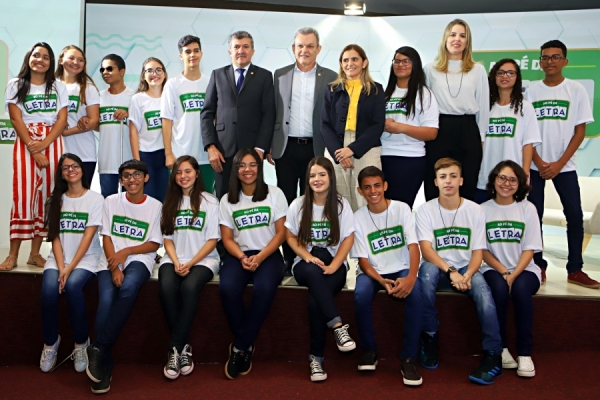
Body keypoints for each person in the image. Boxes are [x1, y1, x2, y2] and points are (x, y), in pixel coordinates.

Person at [416, 157, 503, 385]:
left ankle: (493, 355)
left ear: (461, 180)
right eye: (443, 177)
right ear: (435, 181)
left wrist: (467, 274)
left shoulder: (474, 210)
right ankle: (429, 335)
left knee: (484, 292)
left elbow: (478, 251)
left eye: (453, 176)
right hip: (438, 266)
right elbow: (426, 250)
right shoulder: (425, 210)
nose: (448, 182)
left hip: (467, 267)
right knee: (425, 275)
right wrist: (451, 271)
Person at [525, 40, 599, 288]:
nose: (550, 61)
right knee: (534, 217)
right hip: (536, 166)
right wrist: (538, 161)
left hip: (564, 167)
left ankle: (575, 269)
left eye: (555, 57)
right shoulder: (532, 91)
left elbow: (580, 132)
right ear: (540, 62)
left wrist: (558, 163)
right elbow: (526, 131)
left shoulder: (576, 90)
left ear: (565, 61)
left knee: (575, 215)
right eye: (545, 57)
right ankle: (537, 266)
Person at [85, 159, 162, 394]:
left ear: (146, 178)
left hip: (139, 259)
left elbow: (153, 243)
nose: (132, 180)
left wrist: (127, 252)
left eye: (137, 175)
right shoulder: (111, 201)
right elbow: (106, 236)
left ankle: (97, 349)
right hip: (110, 260)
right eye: (126, 176)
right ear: (121, 181)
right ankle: (104, 367)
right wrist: (114, 266)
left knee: (128, 289)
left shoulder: (156, 205)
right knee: (106, 301)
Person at [271, 27, 337, 273]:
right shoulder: (280, 75)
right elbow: (273, 113)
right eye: (300, 45)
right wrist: (269, 145)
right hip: (286, 149)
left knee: (313, 202)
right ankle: (290, 256)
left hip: (316, 150)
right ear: (293, 48)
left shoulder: (331, 76)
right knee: (289, 202)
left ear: (318, 49)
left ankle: (314, 251)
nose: (304, 50)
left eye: (310, 46)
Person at [285, 156, 356, 382]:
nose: (317, 179)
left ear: (330, 177)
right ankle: (337, 325)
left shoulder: (341, 204)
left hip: (334, 263)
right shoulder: (298, 204)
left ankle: (316, 359)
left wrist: (336, 265)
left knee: (316, 302)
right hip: (305, 263)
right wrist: (307, 256)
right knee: (314, 272)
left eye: (322, 174)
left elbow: (347, 238)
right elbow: (290, 236)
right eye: (313, 175)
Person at [218, 148, 287, 379]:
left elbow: (280, 234)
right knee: (227, 288)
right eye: (242, 166)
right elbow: (226, 238)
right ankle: (246, 344)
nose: (248, 170)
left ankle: (240, 346)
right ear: (235, 170)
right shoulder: (227, 199)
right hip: (239, 254)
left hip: (268, 254)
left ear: (259, 168)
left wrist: (260, 257)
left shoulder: (275, 194)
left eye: (252, 165)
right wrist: (241, 257)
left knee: (265, 288)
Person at [352, 166, 424, 386]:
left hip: (402, 267)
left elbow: (413, 246)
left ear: (385, 186)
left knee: (416, 293)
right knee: (361, 294)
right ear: (360, 191)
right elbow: (363, 261)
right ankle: (369, 350)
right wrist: (381, 280)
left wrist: (411, 276)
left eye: (377, 185)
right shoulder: (358, 217)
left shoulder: (402, 209)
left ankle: (409, 358)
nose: (373, 191)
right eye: (367, 187)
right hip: (374, 271)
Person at [1, 42, 67, 271]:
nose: (40, 59)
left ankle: (35, 253)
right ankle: (12, 255)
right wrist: (33, 147)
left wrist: (46, 145)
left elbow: (62, 120)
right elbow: (16, 119)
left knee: (49, 197)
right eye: (36, 55)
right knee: (23, 196)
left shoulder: (58, 86)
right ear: (29, 57)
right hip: (26, 140)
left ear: (51, 62)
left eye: (46, 57)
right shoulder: (16, 84)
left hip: (52, 141)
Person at [39, 153, 104, 373]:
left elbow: (88, 237)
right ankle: (50, 342)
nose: (71, 170)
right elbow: (54, 237)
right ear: (62, 174)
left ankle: (80, 342)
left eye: (74, 166)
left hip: (86, 258)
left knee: (73, 286)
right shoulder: (54, 199)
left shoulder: (95, 199)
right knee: (49, 290)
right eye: (66, 168)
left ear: (82, 170)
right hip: (58, 258)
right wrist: (61, 266)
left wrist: (69, 268)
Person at [159, 156, 220, 379]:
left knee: (189, 288)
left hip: (204, 260)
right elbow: (167, 239)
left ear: (196, 173)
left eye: (187, 171)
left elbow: (212, 240)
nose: (183, 176)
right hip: (174, 258)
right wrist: (176, 262)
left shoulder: (211, 202)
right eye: (178, 172)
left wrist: (191, 263)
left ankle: (174, 348)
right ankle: (183, 349)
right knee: (166, 287)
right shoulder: (169, 202)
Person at [480, 160, 542, 378]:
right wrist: (503, 271)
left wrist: (514, 274)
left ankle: (525, 353)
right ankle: (502, 348)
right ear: (494, 180)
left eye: (513, 179)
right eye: (502, 178)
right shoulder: (482, 210)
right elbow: (481, 250)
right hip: (492, 268)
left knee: (520, 290)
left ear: (520, 183)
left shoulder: (527, 208)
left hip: (525, 269)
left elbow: (530, 249)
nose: (507, 183)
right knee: (497, 290)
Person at [201, 31, 275, 198]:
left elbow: (268, 114)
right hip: (222, 152)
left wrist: (261, 147)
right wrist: (211, 147)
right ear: (230, 51)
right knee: (223, 198)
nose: (241, 50)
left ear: (253, 51)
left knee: (253, 198)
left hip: (252, 151)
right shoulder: (217, 75)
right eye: (236, 47)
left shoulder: (264, 76)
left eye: (246, 46)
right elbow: (207, 113)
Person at [424, 19, 489, 201]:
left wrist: (481, 139)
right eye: (453, 34)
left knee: (467, 182)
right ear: (445, 38)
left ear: (467, 42)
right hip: (439, 129)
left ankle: (464, 227)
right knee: (435, 181)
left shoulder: (478, 70)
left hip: (468, 129)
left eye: (462, 36)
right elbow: (424, 106)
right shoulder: (430, 69)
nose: (457, 39)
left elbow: (483, 107)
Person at [321, 44, 385, 212]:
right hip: (336, 147)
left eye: (355, 59)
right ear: (341, 64)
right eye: (345, 60)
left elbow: (378, 125)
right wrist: (339, 152)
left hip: (366, 147)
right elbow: (325, 124)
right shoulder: (332, 89)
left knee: (366, 197)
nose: (350, 63)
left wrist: (352, 150)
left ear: (364, 62)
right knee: (339, 198)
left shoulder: (376, 89)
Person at [475, 59, 540, 204]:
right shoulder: (484, 107)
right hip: (484, 177)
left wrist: (524, 175)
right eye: (501, 73)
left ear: (517, 78)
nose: (505, 76)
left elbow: (528, 144)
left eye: (511, 73)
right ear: (494, 76)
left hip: (512, 180)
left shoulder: (525, 107)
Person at [382, 46, 439, 208]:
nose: (401, 65)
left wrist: (401, 127)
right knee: (383, 209)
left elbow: (431, 132)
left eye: (406, 61)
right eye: (397, 61)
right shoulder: (385, 94)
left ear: (415, 64)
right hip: (383, 156)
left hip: (410, 159)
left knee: (402, 209)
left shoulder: (424, 94)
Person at [161, 35, 214, 191]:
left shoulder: (210, 82)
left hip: (206, 156)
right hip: (181, 154)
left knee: (206, 200)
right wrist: (168, 153)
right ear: (181, 56)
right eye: (188, 51)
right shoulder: (172, 84)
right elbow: (167, 120)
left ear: (201, 54)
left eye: (196, 51)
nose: (192, 55)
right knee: (181, 203)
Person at [55, 45, 100, 186]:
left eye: (80, 60)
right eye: (71, 58)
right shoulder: (50, 86)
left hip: (84, 154)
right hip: (55, 153)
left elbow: (93, 121)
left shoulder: (88, 88)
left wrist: (65, 132)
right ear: (61, 60)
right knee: (56, 198)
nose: (76, 62)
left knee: (82, 198)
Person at [129, 57, 169, 202]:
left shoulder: (170, 97)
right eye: (149, 70)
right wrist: (137, 162)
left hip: (167, 155)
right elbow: (133, 131)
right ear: (143, 76)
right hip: (146, 156)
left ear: (164, 74)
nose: (154, 74)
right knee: (149, 198)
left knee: (166, 199)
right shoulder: (138, 99)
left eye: (158, 70)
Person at [97, 54, 135, 198]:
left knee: (131, 203)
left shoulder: (134, 97)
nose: (105, 72)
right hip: (106, 161)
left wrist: (129, 114)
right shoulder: (98, 97)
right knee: (108, 203)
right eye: (102, 70)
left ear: (122, 71)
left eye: (109, 68)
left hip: (129, 160)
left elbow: (141, 127)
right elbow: (97, 125)